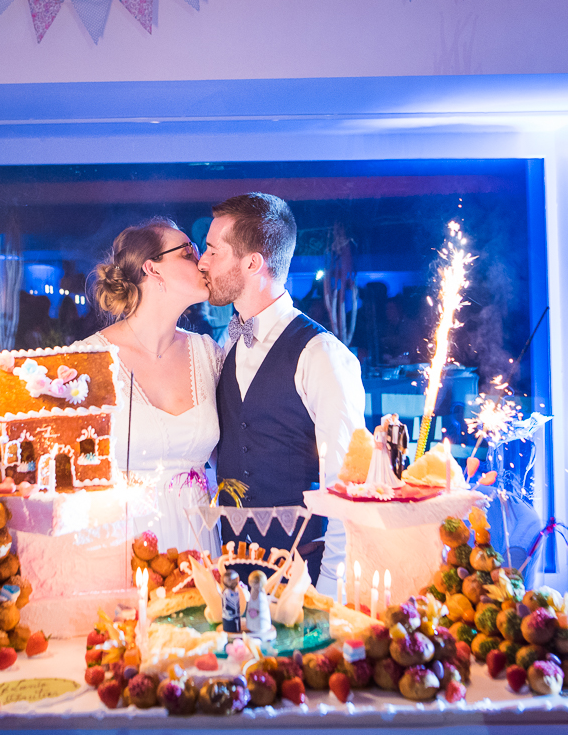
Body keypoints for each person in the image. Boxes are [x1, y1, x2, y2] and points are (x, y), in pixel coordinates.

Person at [198, 193, 366, 591]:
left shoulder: (322, 355)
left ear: (253, 262)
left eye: (212, 251)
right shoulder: (227, 342)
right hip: (233, 578)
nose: (202, 262)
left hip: (303, 580)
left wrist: (330, 589)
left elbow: (347, 487)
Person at [83, 218, 222, 554]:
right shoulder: (90, 361)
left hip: (198, 544)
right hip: (122, 546)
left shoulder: (209, 354)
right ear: (153, 269)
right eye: (188, 251)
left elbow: (232, 460)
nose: (202, 260)